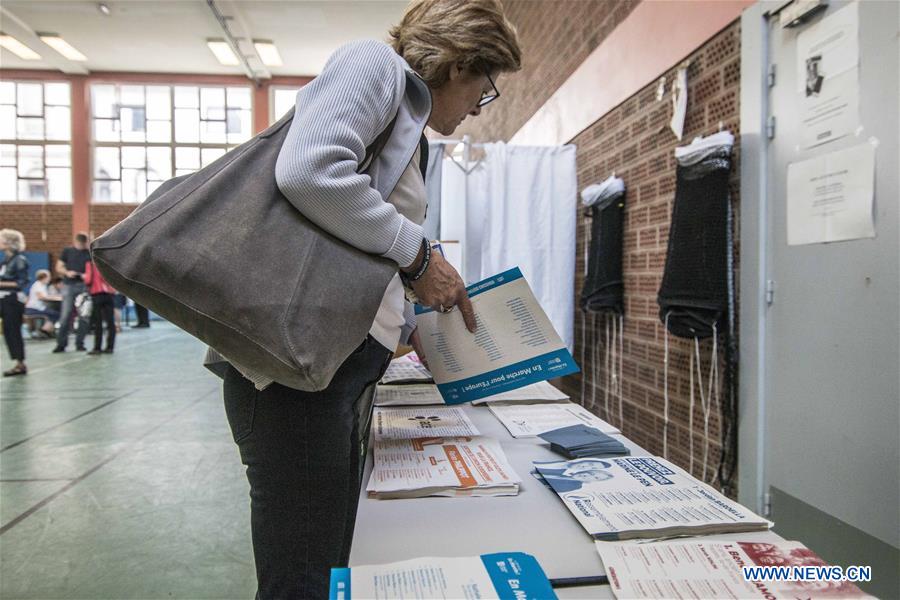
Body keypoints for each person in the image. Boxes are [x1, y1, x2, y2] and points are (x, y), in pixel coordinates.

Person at [215, 1, 521, 596]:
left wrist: (411, 329)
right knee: (302, 576)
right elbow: (308, 173)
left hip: (334, 371)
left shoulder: (412, 134)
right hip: (295, 376)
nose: (477, 109)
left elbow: (357, 244)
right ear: (460, 65)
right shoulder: (374, 65)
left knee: (328, 560)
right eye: (484, 92)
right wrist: (419, 255)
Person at [53, 232, 91, 352]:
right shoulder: (67, 251)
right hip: (69, 285)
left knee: (83, 316)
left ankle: (80, 343)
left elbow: (94, 269)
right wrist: (67, 272)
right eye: (80, 244)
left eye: (84, 244)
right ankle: (61, 343)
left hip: (84, 286)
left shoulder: (89, 253)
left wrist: (87, 275)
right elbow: (59, 267)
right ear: (76, 242)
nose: (82, 246)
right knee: (65, 315)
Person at [1, 229, 30, 377]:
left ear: (9, 242)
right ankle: (17, 362)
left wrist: (2, 284)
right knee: (7, 331)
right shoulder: (6, 260)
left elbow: (22, 282)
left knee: (13, 331)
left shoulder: (19, 260)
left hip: (13, 300)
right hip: (3, 299)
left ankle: (20, 363)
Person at [83, 260, 116, 355]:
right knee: (110, 322)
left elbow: (88, 280)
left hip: (97, 294)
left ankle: (97, 348)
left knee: (98, 323)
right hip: (109, 294)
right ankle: (110, 347)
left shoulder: (90, 264)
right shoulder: (108, 263)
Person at [25, 269, 62, 337]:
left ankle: (47, 330)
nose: (49, 278)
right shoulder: (38, 285)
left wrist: (56, 297)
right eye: (49, 277)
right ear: (44, 277)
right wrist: (57, 298)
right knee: (56, 314)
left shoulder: (42, 285)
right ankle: (45, 330)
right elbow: (41, 297)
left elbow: (46, 296)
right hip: (33, 308)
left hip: (39, 308)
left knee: (54, 313)